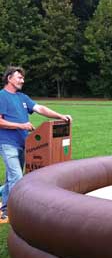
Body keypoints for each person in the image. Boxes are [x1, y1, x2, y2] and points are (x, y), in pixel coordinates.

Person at [0, 66, 72, 220]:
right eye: (19, 77)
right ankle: (15, 210)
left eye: (23, 78)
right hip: (7, 143)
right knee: (17, 177)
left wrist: (60, 116)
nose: (22, 80)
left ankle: (5, 204)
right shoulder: (2, 96)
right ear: (9, 78)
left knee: (12, 176)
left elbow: (40, 108)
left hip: (25, 143)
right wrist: (22, 125)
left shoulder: (22, 97)